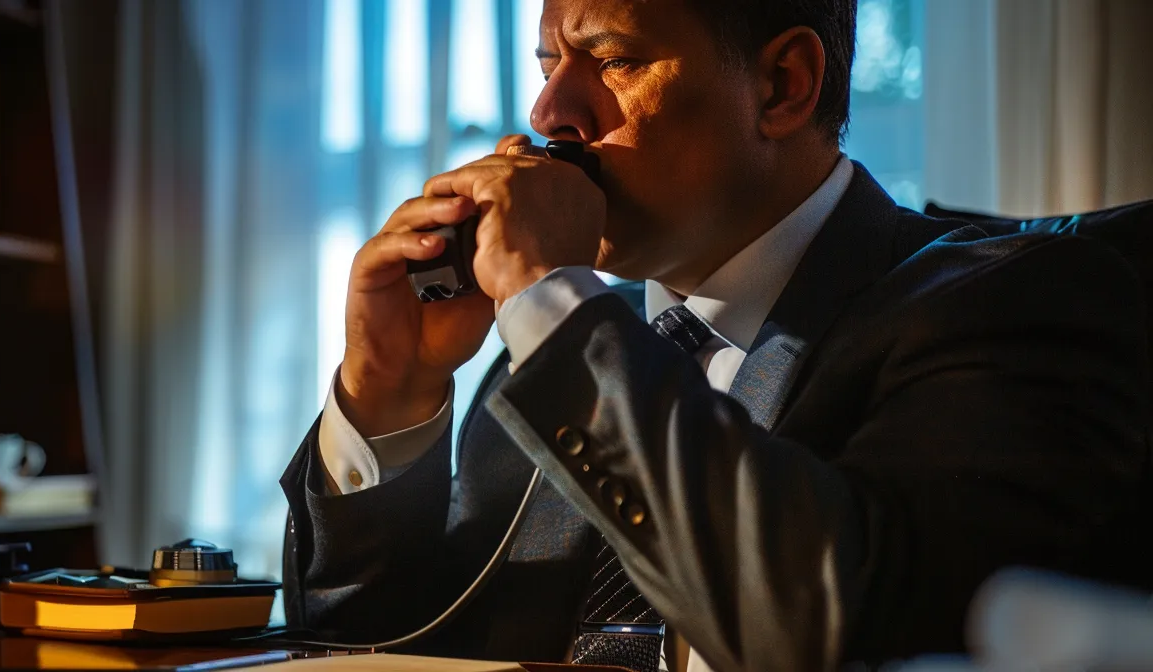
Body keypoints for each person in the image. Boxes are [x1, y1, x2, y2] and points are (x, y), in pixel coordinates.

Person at [277, 0, 1152, 670]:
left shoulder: (1011, 304)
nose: (550, 112)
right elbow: (375, 652)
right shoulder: (557, 343)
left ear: (782, 86)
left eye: (612, 59)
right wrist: (388, 397)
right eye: (548, 61)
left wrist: (552, 304)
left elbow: (820, 628)